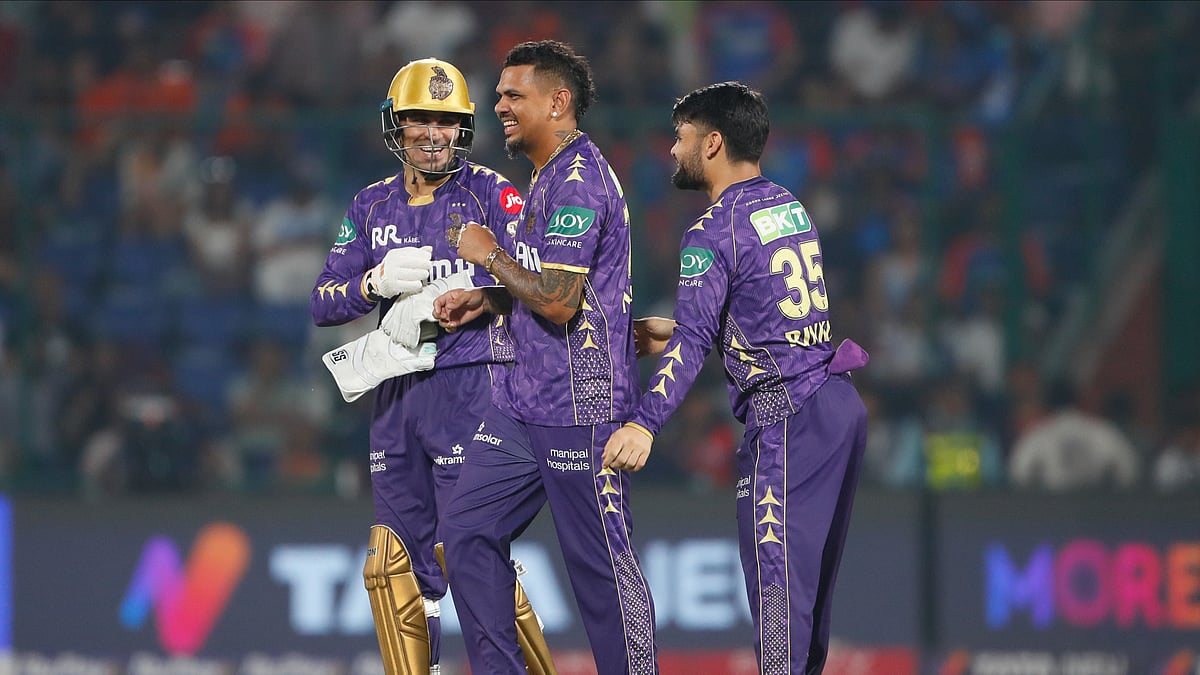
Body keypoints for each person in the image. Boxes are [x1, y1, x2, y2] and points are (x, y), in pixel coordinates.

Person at [602, 82, 870, 674]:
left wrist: (645, 423)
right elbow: (762, 321)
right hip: (836, 403)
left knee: (777, 599)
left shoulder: (711, 230)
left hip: (784, 418)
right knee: (809, 607)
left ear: (714, 142)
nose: (672, 150)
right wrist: (677, 330)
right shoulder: (787, 205)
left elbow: (702, 341)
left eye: (681, 137)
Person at [309, 57, 554, 675]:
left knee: (468, 553)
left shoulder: (495, 194)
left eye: (445, 121)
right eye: (420, 118)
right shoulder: (370, 206)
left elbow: (545, 287)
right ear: (396, 124)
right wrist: (372, 281)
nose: (432, 133)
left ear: (463, 128)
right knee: (393, 565)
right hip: (395, 395)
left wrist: (483, 294)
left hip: (474, 389)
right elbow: (323, 302)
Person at [433, 40, 659, 675]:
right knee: (468, 533)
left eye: (513, 94)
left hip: (580, 409)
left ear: (558, 102)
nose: (498, 104)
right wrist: (491, 298)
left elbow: (561, 302)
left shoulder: (579, 182)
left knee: (601, 575)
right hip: (520, 406)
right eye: (499, 94)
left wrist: (486, 255)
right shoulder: (547, 176)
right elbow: (554, 286)